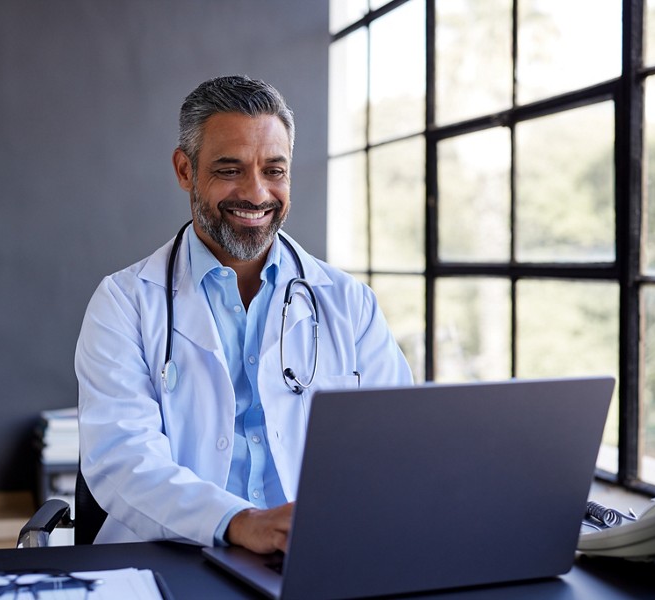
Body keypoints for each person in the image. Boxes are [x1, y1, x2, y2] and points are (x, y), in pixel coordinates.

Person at [75, 75, 413, 554]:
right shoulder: (124, 303)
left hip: (310, 558)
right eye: (229, 170)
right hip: (170, 554)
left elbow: (398, 445)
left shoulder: (347, 303)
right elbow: (123, 460)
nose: (256, 193)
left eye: (274, 170)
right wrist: (238, 522)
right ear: (185, 170)